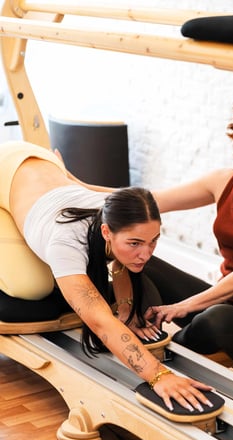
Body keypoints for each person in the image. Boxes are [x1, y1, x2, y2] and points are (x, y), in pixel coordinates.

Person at [0, 140, 214, 412]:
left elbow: (119, 262)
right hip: (4, 171)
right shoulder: (65, 242)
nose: (145, 254)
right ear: (106, 233)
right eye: (135, 243)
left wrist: (126, 313)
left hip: (43, 164)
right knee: (33, 286)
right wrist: (160, 376)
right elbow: (100, 323)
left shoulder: (117, 212)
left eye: (153, 242)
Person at [145, 95, 233, 369]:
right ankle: (138, 330)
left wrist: (182, 306)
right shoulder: (224, 180)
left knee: (214, 319)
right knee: (146, 266)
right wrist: (82, 188)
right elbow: (152, 200)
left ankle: (159, 359)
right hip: (227, 301)